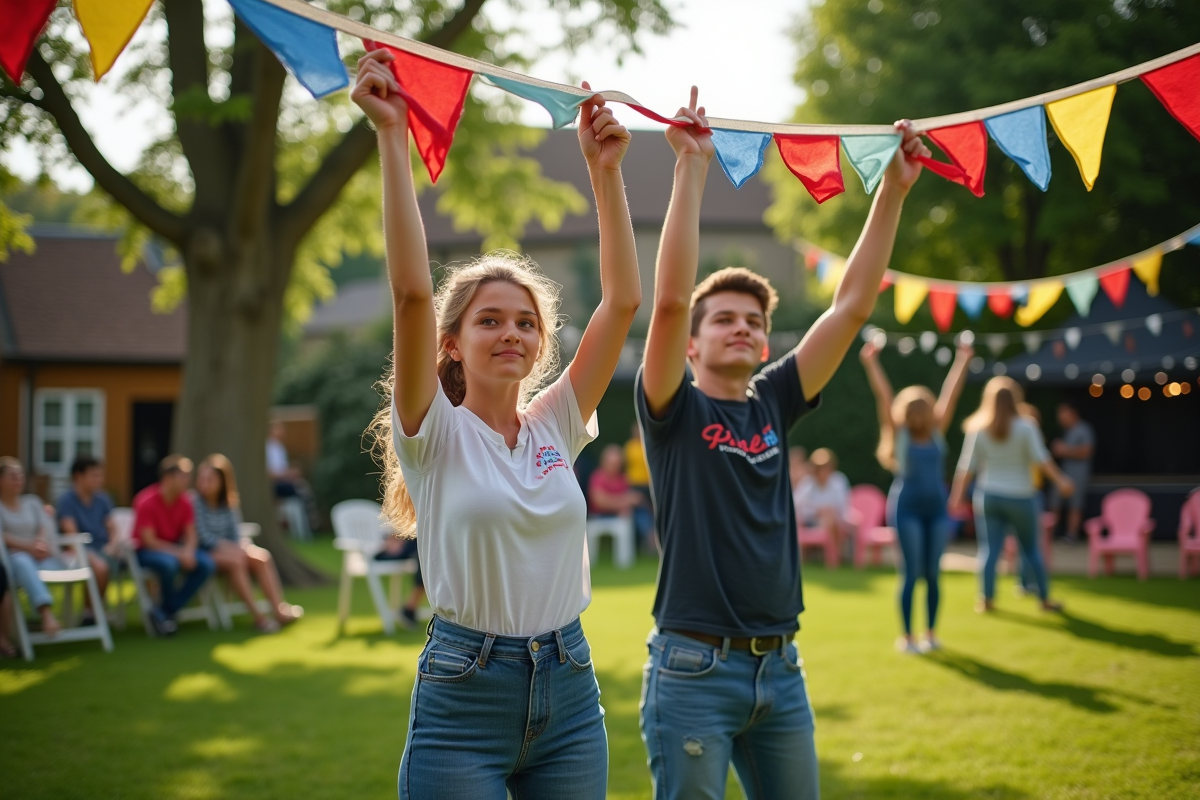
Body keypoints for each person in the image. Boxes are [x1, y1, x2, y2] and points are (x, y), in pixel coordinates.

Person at [354, 48, 641, 799]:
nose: (511, 333)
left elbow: (622, 305)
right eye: (489, 321)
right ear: (453, 343)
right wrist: (391, 135)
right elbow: (413, 294)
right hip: (463, 694)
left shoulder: (557, 424)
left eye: (525, 322)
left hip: (571, 688)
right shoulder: (432, 431)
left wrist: (604, 172)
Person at [635, 85, 928, 799]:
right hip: (692, 668)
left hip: (782, 670)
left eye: (754, 321)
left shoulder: (773, 398)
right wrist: (691, 169)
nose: (742, 327)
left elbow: (852, 304)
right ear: (694, 344)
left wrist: (892, 188)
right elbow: (669, 301)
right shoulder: (671, 406)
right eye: (724, 319)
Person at [861, 338, 972, 654]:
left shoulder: (937, 429)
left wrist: (963, 361)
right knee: (911, 574)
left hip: (937, 509)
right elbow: (883, 397)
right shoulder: (899, 434)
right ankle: (908, 637)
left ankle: (931, 633)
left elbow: (952, 394)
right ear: (907, 412)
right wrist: (871, 363)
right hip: (907, 507)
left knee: (933, 574)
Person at [950, 378, 1073, 614]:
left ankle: (985, 599)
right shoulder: (1026, 426)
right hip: (1021, 497)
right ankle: (1045, 599)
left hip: (989, 496)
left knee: (989, 550)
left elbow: (966, 467)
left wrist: (956, 498)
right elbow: (1042, 459)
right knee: (1031, 548)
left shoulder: (978, 428)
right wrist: (1062, 481)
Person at [191, 454, 302, 633]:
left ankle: (279, 609)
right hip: (206, 553)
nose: (205, 484)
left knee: (262, 557)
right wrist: (230, 548)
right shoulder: (194, 502)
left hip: (232, 550)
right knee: (237, 562)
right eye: (202, 479)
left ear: (222, 482)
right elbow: (203, 537)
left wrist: (236, 547)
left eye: (210, 479)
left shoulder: (229, 503)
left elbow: (235, 533)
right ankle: (259, 618)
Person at [132, 455, 215, 636]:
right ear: (168, 478)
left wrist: (188, 551)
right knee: (169, 564)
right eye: (183, 476)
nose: (188, 481)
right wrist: (180, 553)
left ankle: (165, 611)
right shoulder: (145, 500)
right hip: (147, 552)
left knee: (206, 564)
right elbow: (149, 541)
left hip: (175, 550)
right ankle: (165, 613)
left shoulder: (185, 501)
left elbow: (191, 535)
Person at [0, 457, 63, 637]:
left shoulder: (32, 502)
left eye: (20, 475)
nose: (18, 480)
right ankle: (46, 615)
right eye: (12, 476)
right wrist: (28, 547)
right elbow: (2, 536)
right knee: (22, 561)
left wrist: (40, 544)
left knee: (26, 562)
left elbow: (45, 525)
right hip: (15, 562)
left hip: (43, 558)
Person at [56, 456, 117, 618]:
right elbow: (71, 534)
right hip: (77, 550)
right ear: (78, 476)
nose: (99, 480)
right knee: (101, 567)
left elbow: (112, 528)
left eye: (100, 475)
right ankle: (91, 613)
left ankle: (93, 612)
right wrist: (89, 555)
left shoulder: (103, 499)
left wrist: (113, 544)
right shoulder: (66, 501)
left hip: (103, 548)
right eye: (94, 475)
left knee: (110, 561)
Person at [588, 443, 653, 549]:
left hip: (619, 515)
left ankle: (650, 538)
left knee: (641, 507)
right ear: (604, 462)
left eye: (618, 464)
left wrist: (626, 503)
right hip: (599, 516)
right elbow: (599, 502)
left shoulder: (623, 478)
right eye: (612, 463)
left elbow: (629, 497)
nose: (615, 467)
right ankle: (650, 539)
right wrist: (625, 502)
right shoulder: (597, 477)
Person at [793, 448, 854, 560]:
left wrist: (830, 512)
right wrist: (817, 511)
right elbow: (798, 505)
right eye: (821, 468)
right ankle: (834, 556)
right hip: (809, 522)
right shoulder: (807, 483)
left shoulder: (838, 481)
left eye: (827, 468)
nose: (824, 471)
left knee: (831, 519)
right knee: (827, 518)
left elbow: (843, 505)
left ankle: (837, 556)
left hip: (836, 520)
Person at [1049, 401, 1095, 543]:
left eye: (1063, 412)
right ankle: (1048, 536)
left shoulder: (1084, 429)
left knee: (1075, 505)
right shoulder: (1064, 430)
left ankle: (1071, 536)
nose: (1060, 416)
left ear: (1073, 413)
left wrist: (1065, 450)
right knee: (1054, 503)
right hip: (1061, 475)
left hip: (1078, 475)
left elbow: (1087, 452)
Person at [266, 421, 313, 539]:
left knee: (303, 486)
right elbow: (270, 473)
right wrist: (287, 473)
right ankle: (306, 529)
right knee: (301, 491)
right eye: (278, 428)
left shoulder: (279, 447)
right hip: (276, 485)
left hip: (284, 481)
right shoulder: (268, 447)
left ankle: (307, 527)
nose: (282, 431)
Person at [374, 535, 426, 627]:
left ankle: (409, 608)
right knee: (425, 553)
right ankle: (409, 608)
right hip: (386, 549)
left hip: (406, 542)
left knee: (426, 552)